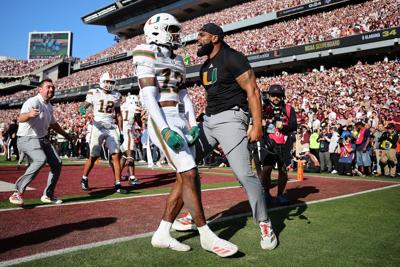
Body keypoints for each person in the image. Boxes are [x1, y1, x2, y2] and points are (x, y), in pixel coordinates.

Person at [134, 13, 238, 257]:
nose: (176, 34)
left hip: (179, 119)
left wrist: (191, 123)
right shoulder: (144, 51)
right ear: (156, 30)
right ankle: (206, 234)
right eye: (171, 29)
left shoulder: (178, 59)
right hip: (162, 117)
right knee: (189, 172)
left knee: (187, 177)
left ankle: (162, 233)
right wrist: (165, 128)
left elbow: (183, 95)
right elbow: (148, 95)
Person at [173, 23, 278, 251]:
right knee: (185, 165)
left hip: (231, 119)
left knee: (243, 174)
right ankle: (195, 216)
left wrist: (256, 124)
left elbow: (253, 91)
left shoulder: (233, 57)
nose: (197, 39)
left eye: (201, 35)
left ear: (215, 37)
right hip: (208, 120)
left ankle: (264, 222)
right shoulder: (205, 66)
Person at [9, 79, 71, 205]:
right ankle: (17, 192)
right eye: (48, 87)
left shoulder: (49, 106)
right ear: (40, 89)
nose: (51, 90)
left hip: (42, 139)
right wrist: (29, 114)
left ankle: (48, 195)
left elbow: (53, 124)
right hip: (26, 138)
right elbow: (20, 118)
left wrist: (66, 135)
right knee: (40, 159)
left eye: (53, 87)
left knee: (57, 163)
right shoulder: (32, 101)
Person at [80, 72, 125, 193]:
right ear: (101, 81)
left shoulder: (116, 95)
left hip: (111, 127)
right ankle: (84, 178)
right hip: (98, 126)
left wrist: (121, 131)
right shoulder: (94, 92)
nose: (109, 84)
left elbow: (119, 115)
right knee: (94, 156)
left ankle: (118, 183)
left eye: (111, 82)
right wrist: (83, 108)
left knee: (116, 155)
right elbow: (86, 105)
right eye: (107, 82)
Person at [254, 84, 297, 205]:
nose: (275, 98)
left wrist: (284, 126)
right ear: (269, 95)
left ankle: (280, 195)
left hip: (284, 144)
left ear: (282, 96)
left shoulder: (288, 109)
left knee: (283, 170)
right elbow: (254, 124)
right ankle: (266, 194)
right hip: (267, 143)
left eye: (278, 95)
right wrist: (260, 124)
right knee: (266, 169)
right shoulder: (262, 109)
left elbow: (294, 126)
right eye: (273, 95)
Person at [119, 94, 141, 185]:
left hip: (122, 131)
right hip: (128, 132)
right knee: (130, 154)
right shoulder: (134, 108)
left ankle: (118, 175)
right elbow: (139, 122)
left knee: (124, 156)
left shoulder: (122, 106)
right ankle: (132, 178)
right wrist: (141, 116)